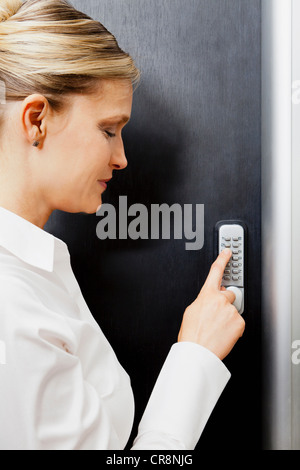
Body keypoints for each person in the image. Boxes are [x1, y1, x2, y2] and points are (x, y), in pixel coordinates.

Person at [0, 0, 245, 450]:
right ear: (36, 120)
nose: (121, 158)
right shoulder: (10, 306)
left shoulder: (35, 270)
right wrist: (196, 355)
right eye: (109, 130)